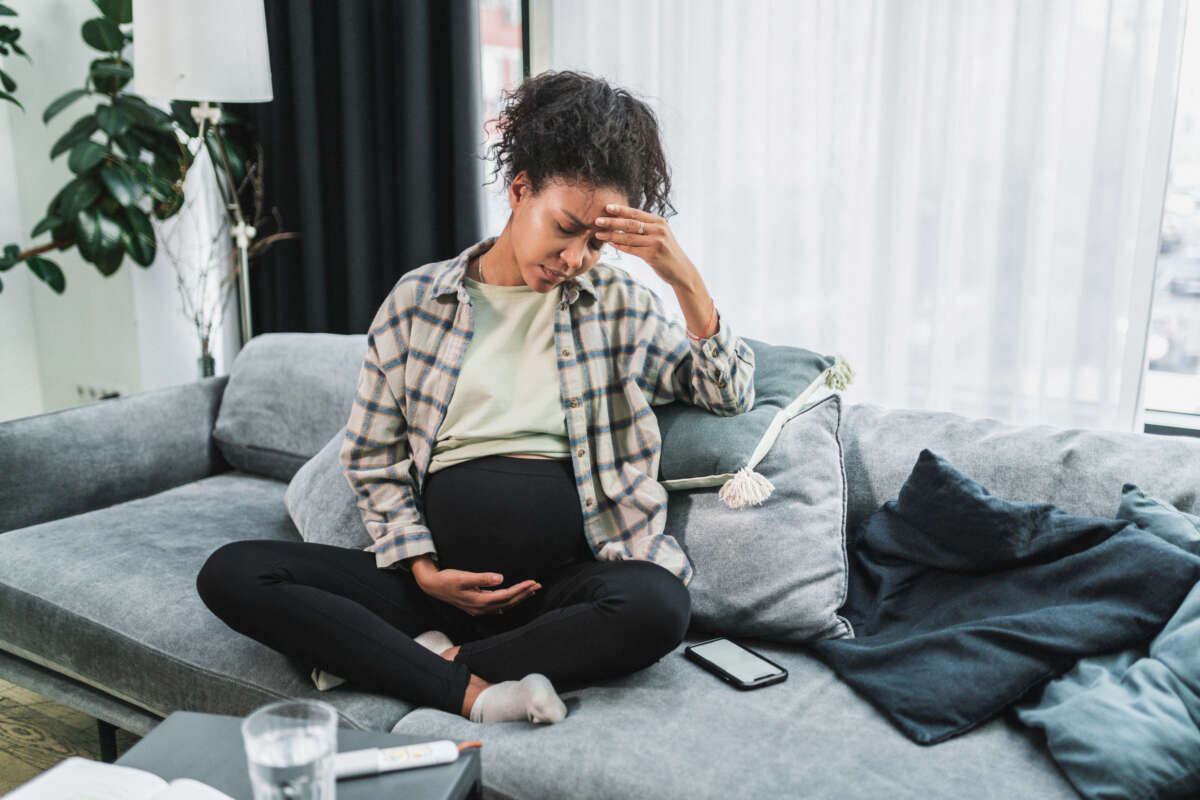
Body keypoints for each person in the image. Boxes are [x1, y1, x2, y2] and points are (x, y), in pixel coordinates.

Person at [196, 70, 756, 725]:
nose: (577, 257)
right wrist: (423, 567)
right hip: (429, 588)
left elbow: (728, 392)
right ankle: (479, 693)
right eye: (566, 228)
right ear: (520, 191)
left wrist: (683, 279)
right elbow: (374, 456)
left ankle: (440, 664)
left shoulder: (620, 307)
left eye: (597, 242)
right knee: (232, 571)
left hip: (559, 587)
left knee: (659, 606)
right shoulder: (416, 302)